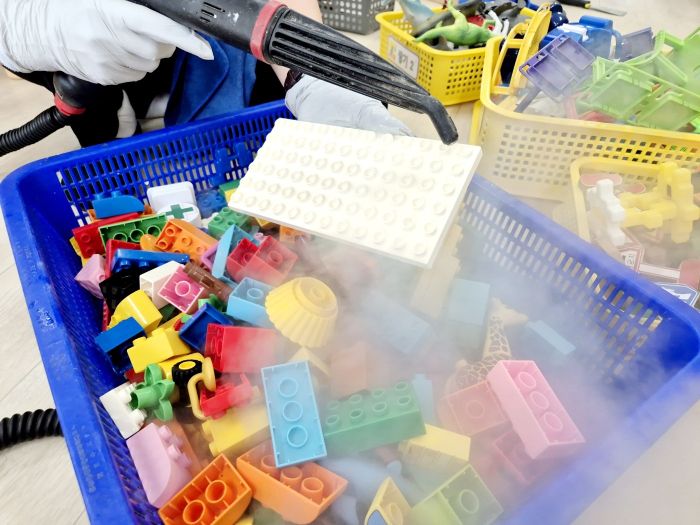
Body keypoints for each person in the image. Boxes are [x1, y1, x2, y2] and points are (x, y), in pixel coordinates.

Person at [0, 0, 410, 147]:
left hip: (210, 27)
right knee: (97, 102)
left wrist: (311, 69)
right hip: (66, 28)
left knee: (275, 111)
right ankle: (112, 117)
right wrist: (21, 26)